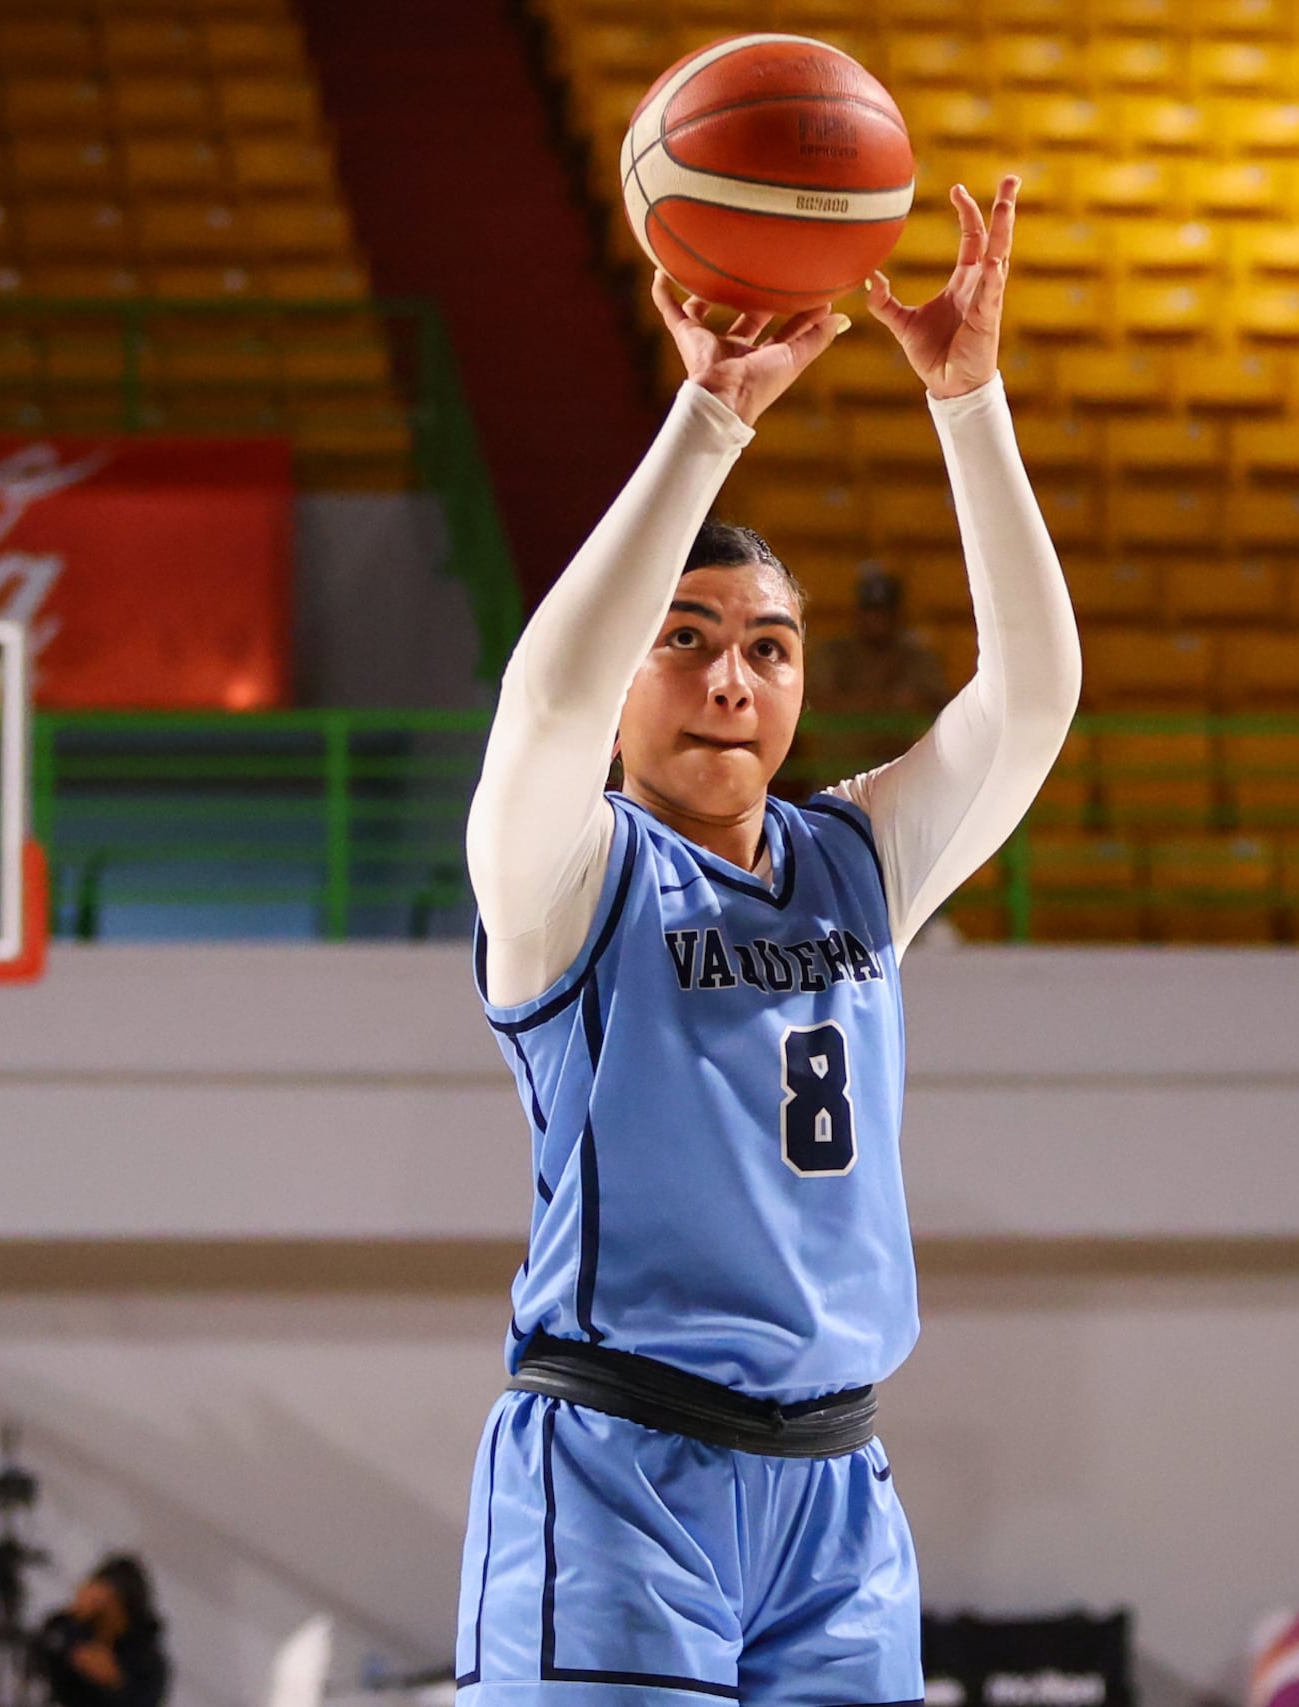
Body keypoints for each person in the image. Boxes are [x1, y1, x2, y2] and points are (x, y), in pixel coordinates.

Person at [453, 176, 1081, 1707]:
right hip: (618, 1462)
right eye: (685, 639)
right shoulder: (565, 872)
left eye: (769, 646)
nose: (732, 676)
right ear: (626, 677)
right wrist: (709, 418)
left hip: (838, 1492)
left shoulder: (857, 858)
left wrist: (970, 401)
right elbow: (544, 700)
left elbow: (1033, 701)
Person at [793, 562, 955, 787]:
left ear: (897, 615)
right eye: (870, 611)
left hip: (898, 784)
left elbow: (935, 704)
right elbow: (816, 701)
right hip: (838, 783)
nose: (876, 620)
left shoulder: (917, 657)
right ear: (858, 613)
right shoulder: (832, 653)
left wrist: (855, 703)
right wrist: (890, 702)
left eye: (883, 612)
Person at [30, 1556, 167, 1707]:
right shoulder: (68, 1626)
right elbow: (37, 1661)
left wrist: (116, 1683)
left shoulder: (146, 1662)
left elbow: (145, 1699)